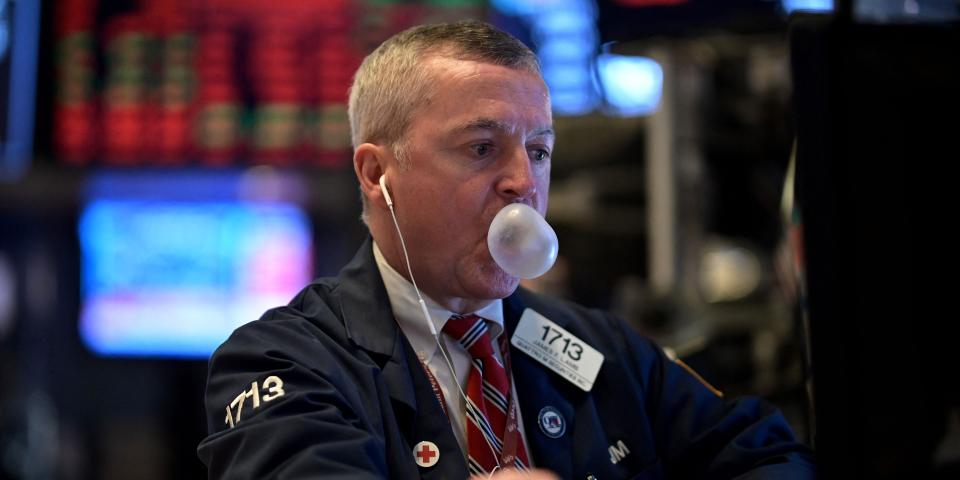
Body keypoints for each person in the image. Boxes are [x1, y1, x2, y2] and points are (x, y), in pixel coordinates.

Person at [197, 20, 816, 479]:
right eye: (482, 148)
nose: (524, 181)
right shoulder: (282, 361)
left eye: (539, 150)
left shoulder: (600, 348)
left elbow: (771, 458)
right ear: (375, 175)